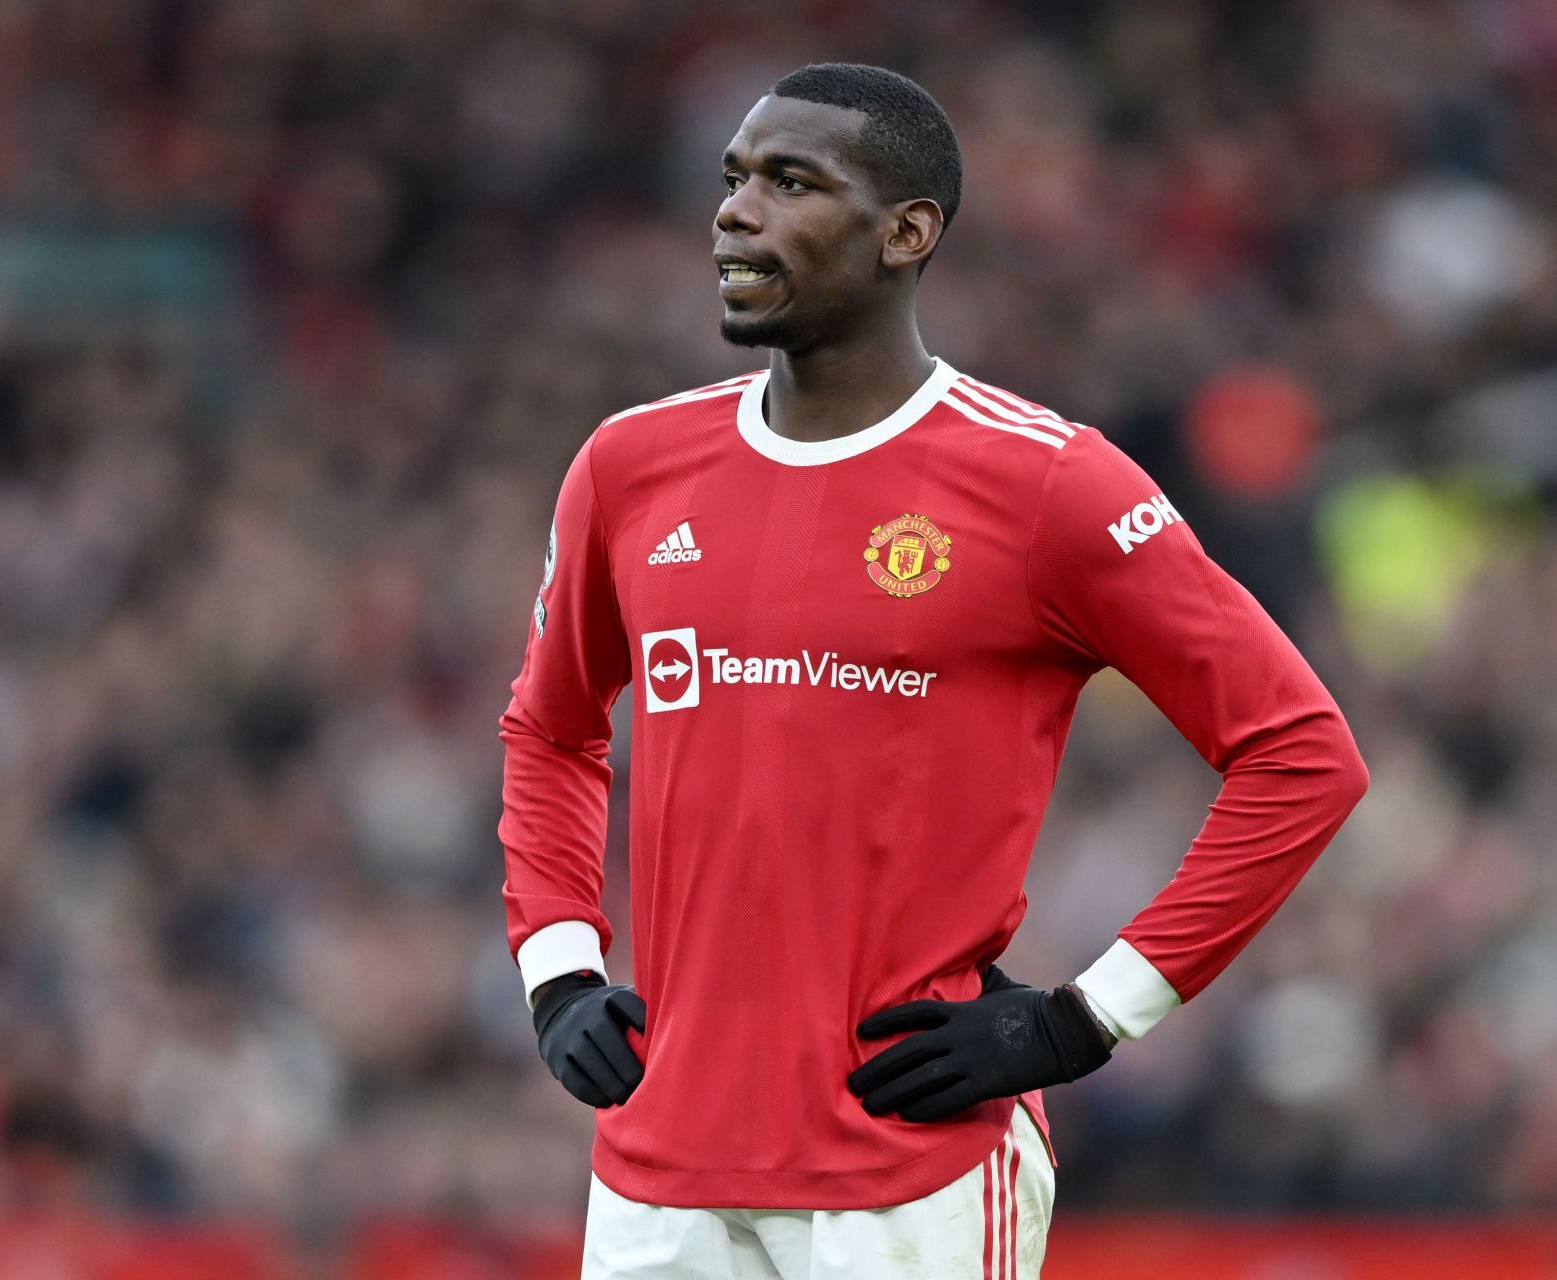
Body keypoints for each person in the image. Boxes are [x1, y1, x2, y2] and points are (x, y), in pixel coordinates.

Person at [498, 62, 1368, 1280]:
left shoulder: (1049, 485)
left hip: (913, 1175)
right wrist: (558, 970)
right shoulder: (630, 467)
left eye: (791, 183)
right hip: (656, 1177)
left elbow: (1302, 753)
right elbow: (551, 729)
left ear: (906, 232)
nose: (736, 211)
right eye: (734, 178)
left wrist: (1086, 1015)